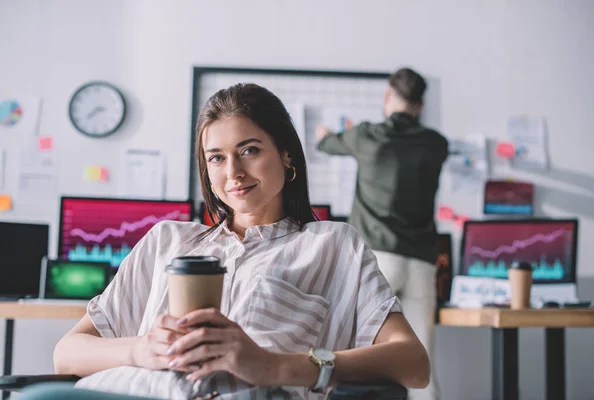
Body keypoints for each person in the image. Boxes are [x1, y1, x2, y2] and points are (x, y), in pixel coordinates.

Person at [52, 83, 430, 400]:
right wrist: (141, 349)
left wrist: (274, 365)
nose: (233, 172)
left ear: (286, 155)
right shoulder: (166, 241)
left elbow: (413, 364)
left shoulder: (331, 244)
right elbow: (67, 354)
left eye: (249, 150)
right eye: (216, 158)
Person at [315, 68, 448, 400]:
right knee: (422, 368)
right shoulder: (436, 144)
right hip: (421, 263)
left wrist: (325, 133)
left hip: (377, 261)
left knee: (355, 362)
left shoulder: (366, 136)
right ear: (420, 104)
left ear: (388, 97)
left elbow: (324, 143)